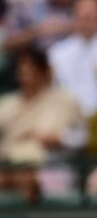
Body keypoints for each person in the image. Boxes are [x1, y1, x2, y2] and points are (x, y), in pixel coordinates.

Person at [0, 46, 84, 202]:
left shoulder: (65, 101)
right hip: (8, 166)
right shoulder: (6, 105)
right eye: (22, 71)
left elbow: (81, 138)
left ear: (43, 72)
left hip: (52, 167)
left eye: (31, 71)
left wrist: (59, 140)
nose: (26, 77)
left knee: (26, 176)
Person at [47, 0, 97, 117]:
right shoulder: (57, 53)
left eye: (91, 17)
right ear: (74, 18)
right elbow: (52, 91)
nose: (87, 23)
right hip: (66, 118)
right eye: (83, 17)